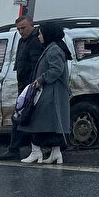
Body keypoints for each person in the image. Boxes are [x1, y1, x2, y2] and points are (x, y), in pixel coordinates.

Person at [19, 21, 73, 164]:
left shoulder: (53, 49)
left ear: (48, 34)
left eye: (41, 33)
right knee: (53, 125)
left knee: (34, 121)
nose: (39, 37)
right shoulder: (53, 47)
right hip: (52, 93)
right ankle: (56, 154)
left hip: (50, 93)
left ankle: (36, 152)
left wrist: (40, 80)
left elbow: (56, 69)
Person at [0, 15, 44, 160]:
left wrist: (31, 87)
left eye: (23, 28)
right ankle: (19, 149)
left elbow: (36, 65)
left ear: (32, 25)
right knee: (22, 117)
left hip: (30, 87)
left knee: (20, 117)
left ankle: (15, 149)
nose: (21, 31)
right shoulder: (23, 40)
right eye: (18, 29)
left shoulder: (35, 41)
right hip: (24, 86)